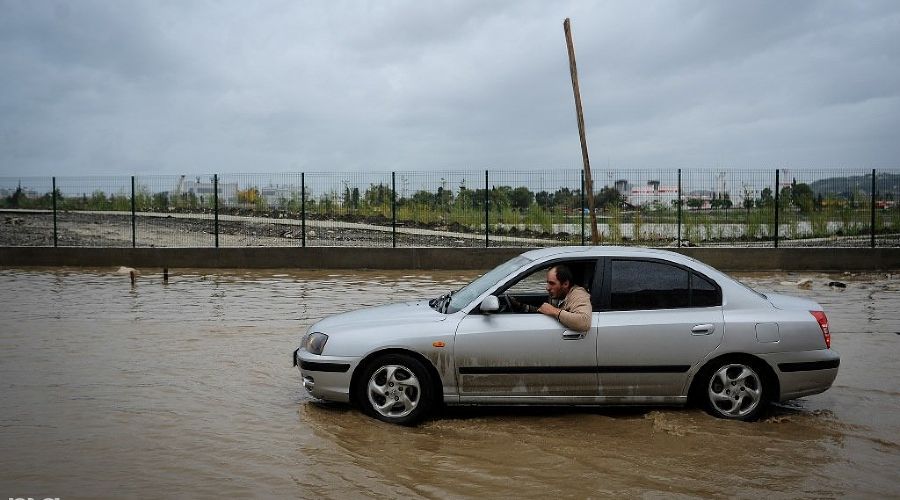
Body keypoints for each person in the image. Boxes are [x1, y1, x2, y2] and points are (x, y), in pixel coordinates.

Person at [510, 264, 592, 333]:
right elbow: (544, 310)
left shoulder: (578, 294)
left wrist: (554, 311)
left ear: (566, 284)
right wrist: (520, 306)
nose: (547, 288)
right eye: (547, 282)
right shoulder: (558, 295)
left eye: (552, 283)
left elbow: (584, 323)